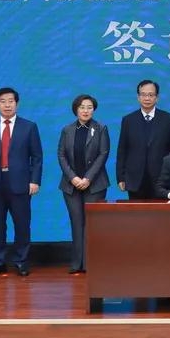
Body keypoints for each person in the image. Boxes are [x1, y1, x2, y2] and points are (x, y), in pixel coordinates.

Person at [0, 87, 43, 277]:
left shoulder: (29, 126)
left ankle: (21, 261)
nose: (7, 105)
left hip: (21, 183)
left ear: (17, 104)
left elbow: (37, 157)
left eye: (11, 101)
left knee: (22, 225)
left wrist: (35, 180)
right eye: (3, 101)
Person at [57, 94, 110, 275]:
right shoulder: (67, 130)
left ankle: (90, 263)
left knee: (91, 224)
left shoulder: (101, 128)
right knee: (76, 222)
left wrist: (88, 178)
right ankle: (76, 263)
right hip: (71, 185)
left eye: (89, 107)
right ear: (76, 109)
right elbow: (61, 155)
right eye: (82, 107)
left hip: (94, 185)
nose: (86, 110)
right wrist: (73, 178)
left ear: (94, 110)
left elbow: (103, 154)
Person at [116, 80, 170, 200]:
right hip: (134, 179)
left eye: (151, 95)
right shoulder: (128, 120)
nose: (147, 98)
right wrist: (121, 177)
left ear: (157, 98)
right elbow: (122, 150)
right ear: (138, 97)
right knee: (136, 212)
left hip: (162, 179)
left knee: (161, 212)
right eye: (143, 94)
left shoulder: (169, 119)